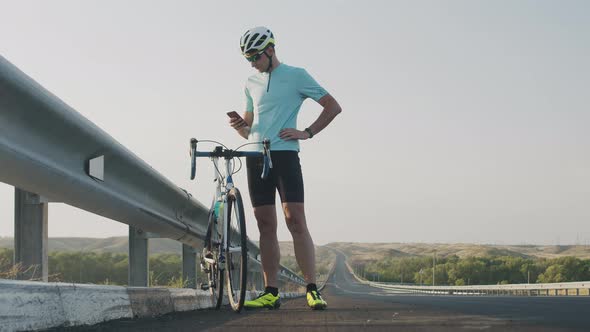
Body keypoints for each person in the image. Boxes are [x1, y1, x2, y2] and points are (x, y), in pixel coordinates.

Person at [229, 26, 342, 310]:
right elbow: (249, 128)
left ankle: (312, 289)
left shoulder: (296, 75)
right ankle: (271, 292)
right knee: (265, 225)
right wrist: (240, 128)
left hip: (285, 156)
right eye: (247, 58)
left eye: (255, 56)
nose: (252, 62)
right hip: (255, 156)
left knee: (295, 221)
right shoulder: (250, 82)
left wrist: (307, 132)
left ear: (270, 50)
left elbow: (332, 106)